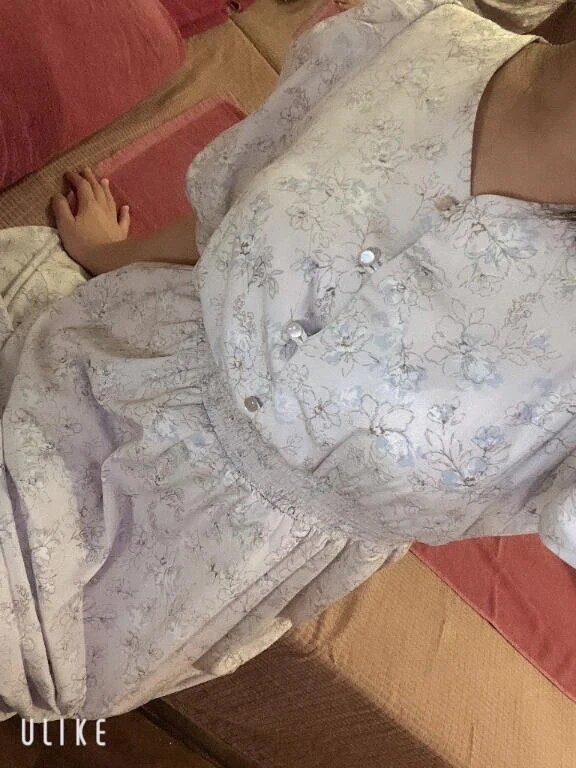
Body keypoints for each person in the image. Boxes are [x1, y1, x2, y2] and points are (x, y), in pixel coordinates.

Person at [2, 0, 576, 721]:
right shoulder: (412, 35)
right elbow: (229, 216)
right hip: (82, 365)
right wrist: (106, 257)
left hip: (167, 574)